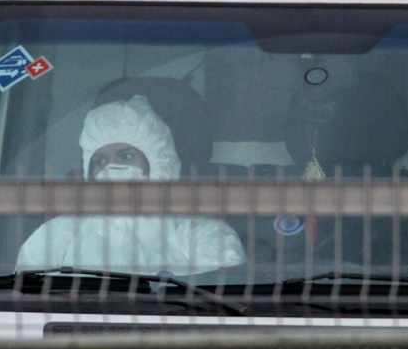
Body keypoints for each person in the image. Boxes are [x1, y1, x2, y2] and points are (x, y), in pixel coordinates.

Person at [16, 95, 245, 276]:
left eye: (126, 157)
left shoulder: (204, 236)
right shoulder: (56, 236)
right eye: (99, 161)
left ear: (159, 163)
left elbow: (221, 305)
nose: (110, 169)